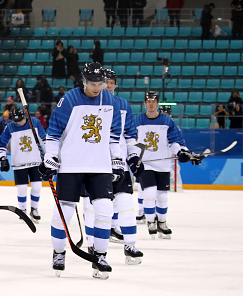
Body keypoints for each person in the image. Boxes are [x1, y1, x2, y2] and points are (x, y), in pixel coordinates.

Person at [40, 62, 122, 279]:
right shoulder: (69, 100)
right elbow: (54, 132)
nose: (97, 87)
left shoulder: (110, 100)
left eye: (100, 83)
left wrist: (118, 161)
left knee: (105, 209)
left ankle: (101, 255)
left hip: (100, 166)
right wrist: (50, 157)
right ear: (84, 81)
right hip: (71, 166)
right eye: (93, 83)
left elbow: (114, 135)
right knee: (64, 212)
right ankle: (58, 252)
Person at [84, 68, 144, 264]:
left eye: (111, 82)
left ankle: (130, 245)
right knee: (94, 207)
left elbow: (130, 134)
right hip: (95, 165)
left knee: (126, 204)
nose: (108, 85)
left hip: (120, 165)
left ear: (115, 85)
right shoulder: (87, 103)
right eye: (105, 82)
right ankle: (93, 244)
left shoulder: (123, 105)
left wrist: (134, 156)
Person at [134, 91, 203, 239]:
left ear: (157, 103)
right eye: (148, 101)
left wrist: (182, 152)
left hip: (163, 165)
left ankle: (162, 222)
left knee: (163, 195)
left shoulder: (167, 121)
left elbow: (174, 142)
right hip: (146, 164)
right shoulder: (137, 120)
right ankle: (151, 221)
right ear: (145, 103)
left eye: (153, 101)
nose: (151, 103)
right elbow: (130, 140)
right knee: (150, 192)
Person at [0, 108, 46, 222]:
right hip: (19, 163)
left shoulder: (35, 122)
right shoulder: (10, 127)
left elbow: (44, 139)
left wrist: (49, 156)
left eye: (21, 120)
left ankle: (34, 208)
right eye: (16, 120)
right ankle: (22, 210)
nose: (19, 122)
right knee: (22, 188)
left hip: (36, 161)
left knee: (37, 186)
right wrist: (2, 158)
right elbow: (2, 144)